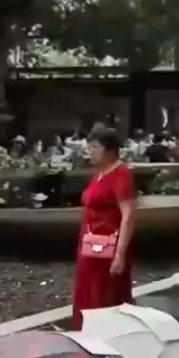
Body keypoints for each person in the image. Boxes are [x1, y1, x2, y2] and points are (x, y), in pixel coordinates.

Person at [72, 129, 136, 329]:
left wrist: (120, 254)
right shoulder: (99, 174)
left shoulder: (121, 174)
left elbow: (129, 214)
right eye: (89, 147)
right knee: (87, 293)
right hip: (91, 245)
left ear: (110, 150)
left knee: (105, 295)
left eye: (95, 147)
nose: (90, 152)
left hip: (108, 248)